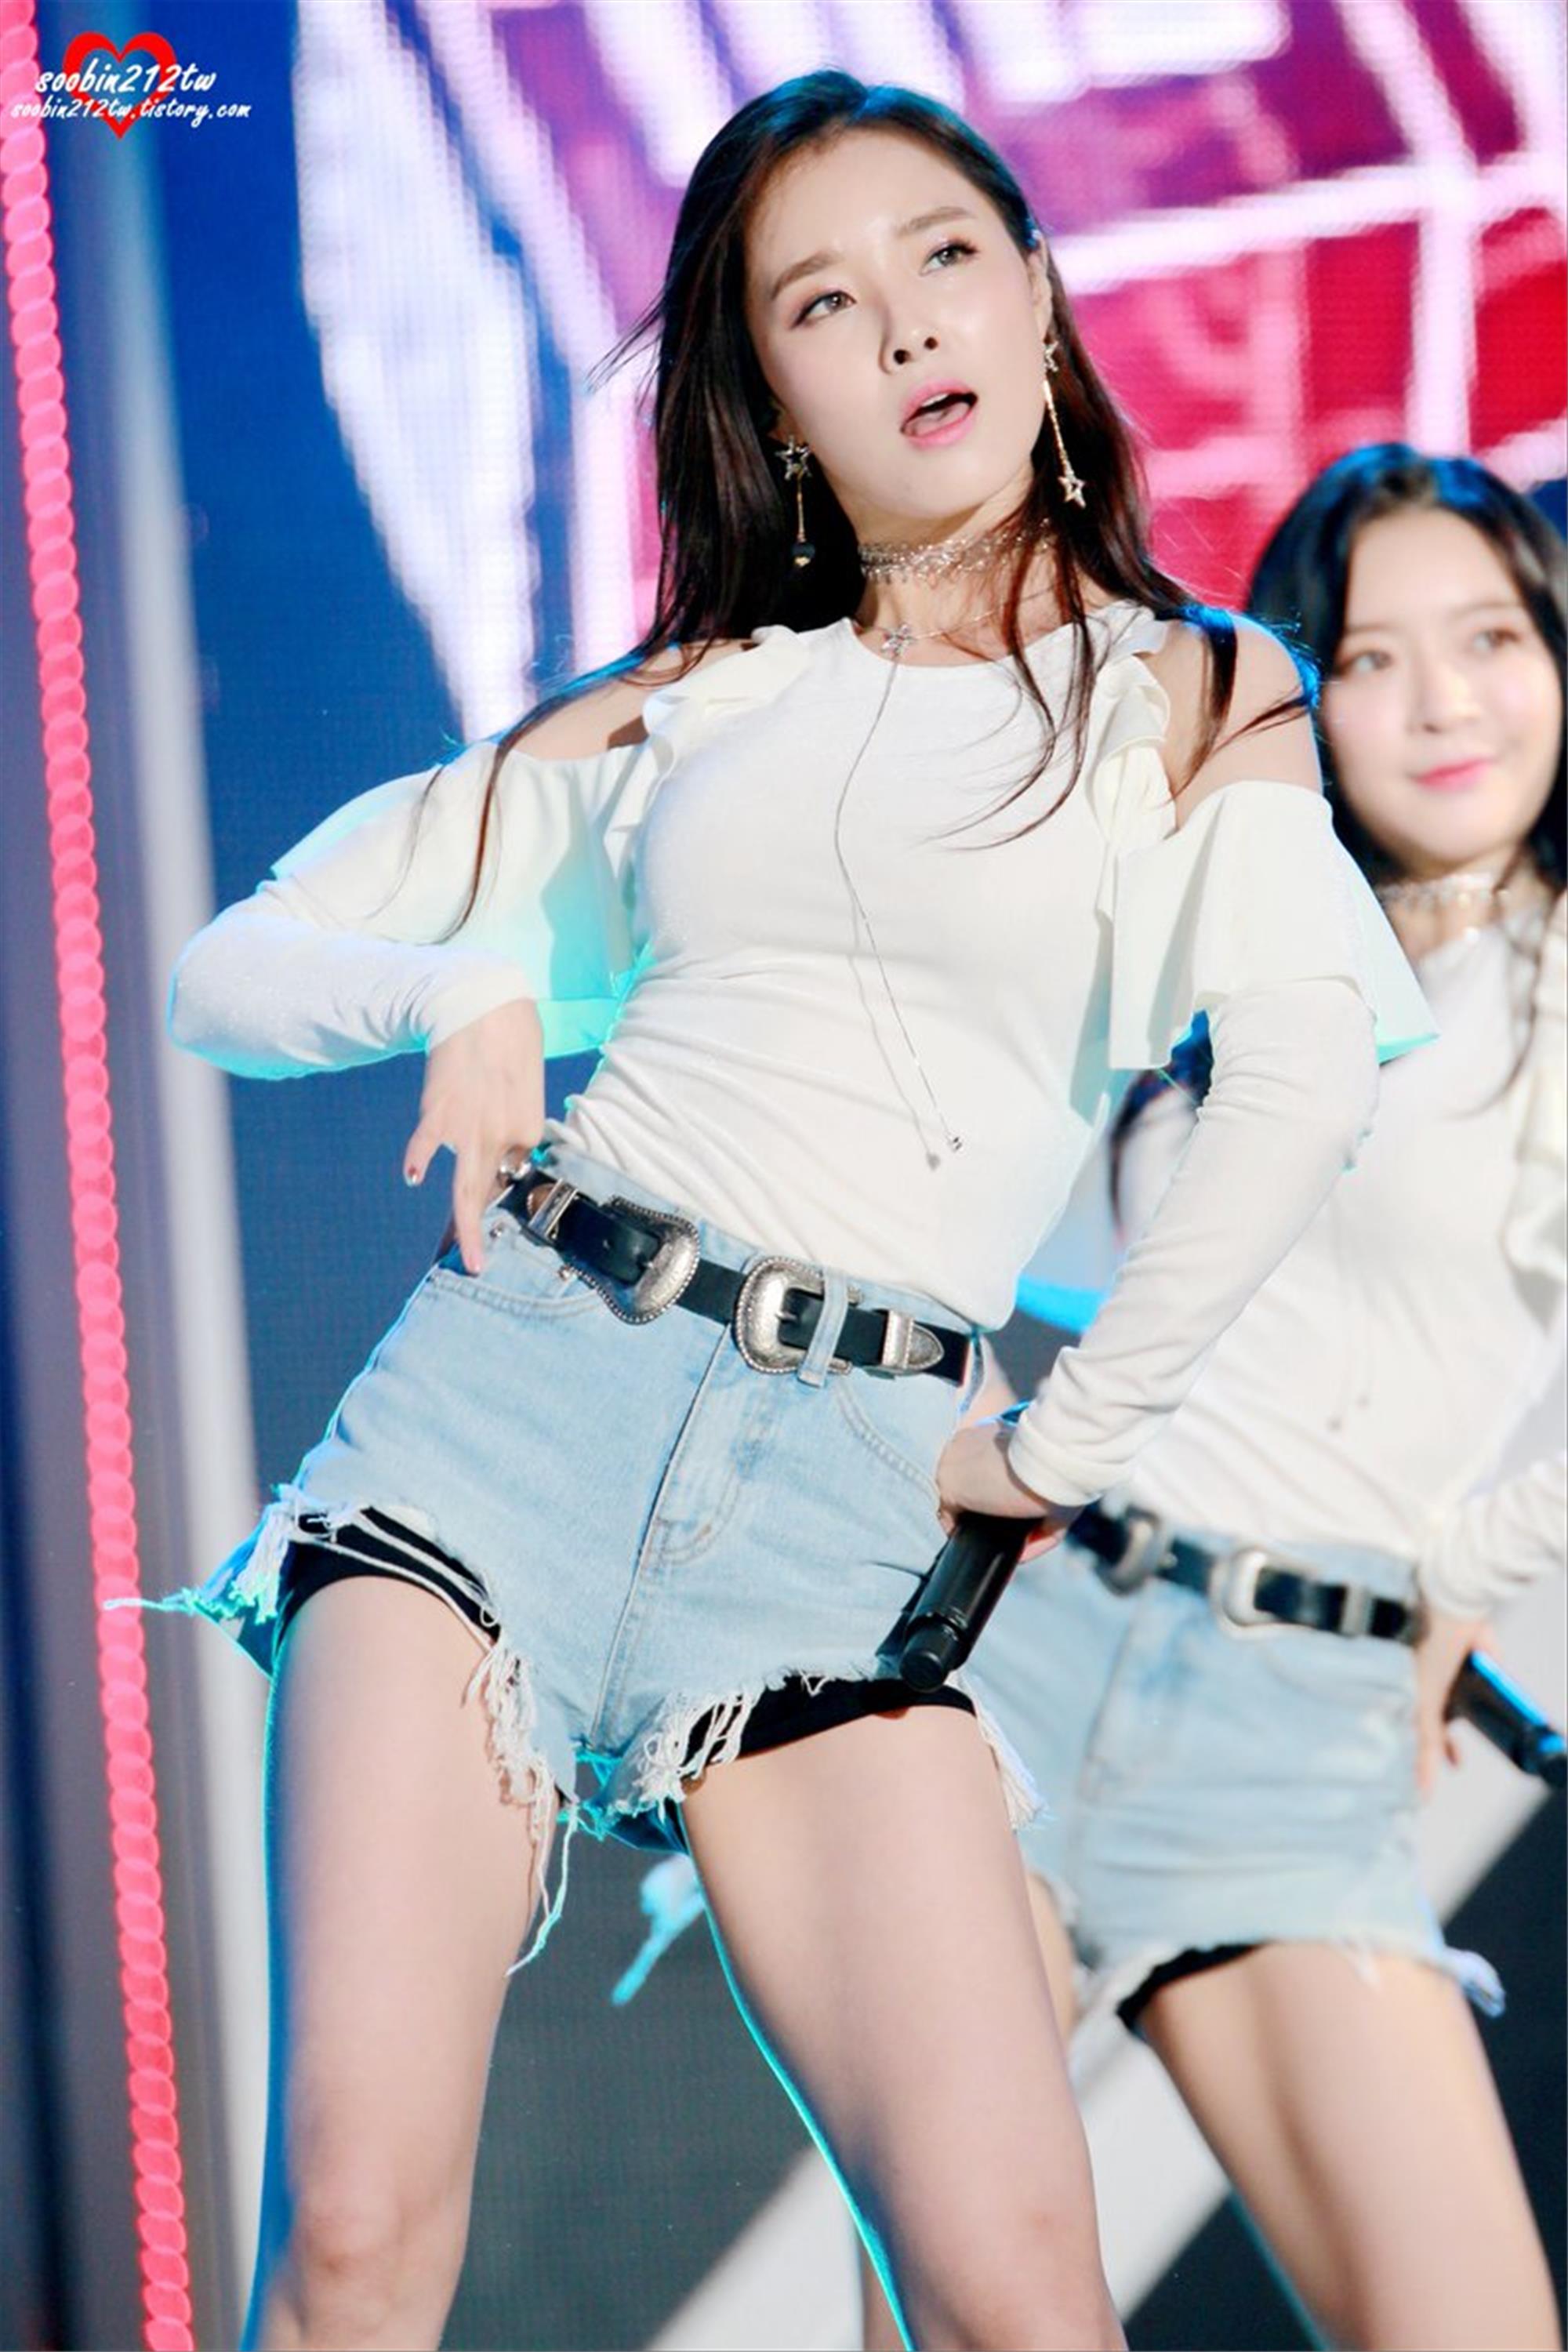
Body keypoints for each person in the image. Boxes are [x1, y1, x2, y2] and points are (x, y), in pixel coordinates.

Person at [154, 74, 1428, 2352]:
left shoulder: (1194, 694)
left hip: (851, 1510)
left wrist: (1066, 1443)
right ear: (774, 407)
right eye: (822, 304)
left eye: (944, 257)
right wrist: (455, 989)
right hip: (504, 1419)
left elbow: (1303, 1082)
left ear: (1038, 297)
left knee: (1021, 2298)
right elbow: (225, 969)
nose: (907, 323)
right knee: (353, 2234)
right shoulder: (697, 700)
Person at [864, 448, 1564, 2352]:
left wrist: (1474, 1564)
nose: (1442, 705)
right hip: (1010, 1656)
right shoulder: (1236, 937)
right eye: (1372, 658)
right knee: (972, 2311)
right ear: (1304, 696)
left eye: (1491, 640)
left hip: (1291, 1722)